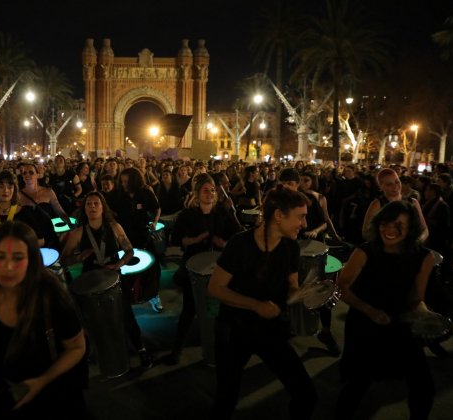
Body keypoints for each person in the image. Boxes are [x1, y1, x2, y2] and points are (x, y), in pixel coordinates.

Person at [0, 221, 87, 419]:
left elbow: (77, 347)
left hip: (56, 398)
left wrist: (42, 381)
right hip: (8, 398)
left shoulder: (51, 296)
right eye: (0, 257)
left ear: (32, 261)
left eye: (18, 257)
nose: (7, 267)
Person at [207, 184, 317, 420]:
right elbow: (215, 288)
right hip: (234, 330)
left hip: (270, 330)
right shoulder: (240, 244)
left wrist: (308, 294)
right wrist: (256, 305)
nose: (304, 224)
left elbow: (291, 289)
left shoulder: (290, 247)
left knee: (306, 394)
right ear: (279, 216)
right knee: (225, 399)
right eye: (300, 217)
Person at [335, 200, 435, 420]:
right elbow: (341, 288)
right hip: (365, 324)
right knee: (357, 384)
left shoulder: (424, 257)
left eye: (398, 226)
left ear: (411, 230)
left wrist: (425, 315)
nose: (389, 230)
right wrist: (369, 310)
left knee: (424, 387)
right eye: (385, 223)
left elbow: (416, 298)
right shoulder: (365, 252)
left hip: (400, 324)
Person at [60, 192, 154, 369]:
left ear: (103, 207)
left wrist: (120, 263)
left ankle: (141, 349)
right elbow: (64, 259)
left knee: (126, 316)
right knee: (91, 319)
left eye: (96, 203)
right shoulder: (78, 233)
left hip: (114, 278)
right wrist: (78, 257)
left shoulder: (114, 227)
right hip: (90, 281)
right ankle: (92, 352)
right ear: (84, 209)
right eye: (89, 204)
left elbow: (130, 251)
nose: (93, 207)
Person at [165, 174, 241, 365]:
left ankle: (223, 348)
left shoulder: (223, 212)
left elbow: (237, 236)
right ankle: (177, 349)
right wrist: (193, 240)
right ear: (197, 194)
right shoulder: (187, 215)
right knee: (190, 308)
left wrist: (223, 243)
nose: (210, 193)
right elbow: (176, 240)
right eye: (206, 190)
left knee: (222, 309)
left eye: (213, 190)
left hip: (219, 267)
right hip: (194, 267)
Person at [281, 168, 340, 355]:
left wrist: (315, 231)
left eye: (291, 184)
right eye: (284, 185)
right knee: (290, 290)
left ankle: (326, 331)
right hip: (291, 252)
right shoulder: (279, 203)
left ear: (297, 184)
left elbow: (324, 222)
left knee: (319, 290)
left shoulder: (310, 200)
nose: (288, 188)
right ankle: (288, 329)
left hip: (314, 249)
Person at [113, 167, 163, 313]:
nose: (123, 184)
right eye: (122, 181)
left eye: (126, 181)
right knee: (126, 266)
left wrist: (154, 222)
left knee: (152, 266)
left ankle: (153, 295)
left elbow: (157, 208)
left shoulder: (145, 191)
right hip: (124, 235)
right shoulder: (119, 194)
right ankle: (128, 297)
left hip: (143, 234)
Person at [0, 170, 58, 252]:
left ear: (14, 190)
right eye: (1, 186)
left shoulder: (24, 213)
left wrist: (18, 249)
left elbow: (40, 240)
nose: (6, 190)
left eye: (10, 187)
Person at [362, 168, 428, 242]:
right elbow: (366, 233)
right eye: (389, 184)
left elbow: (424, 229)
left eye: (397, 182)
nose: (395, 186)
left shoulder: (413, 202)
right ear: (381, 186)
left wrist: (416, 242)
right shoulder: (377, 204)